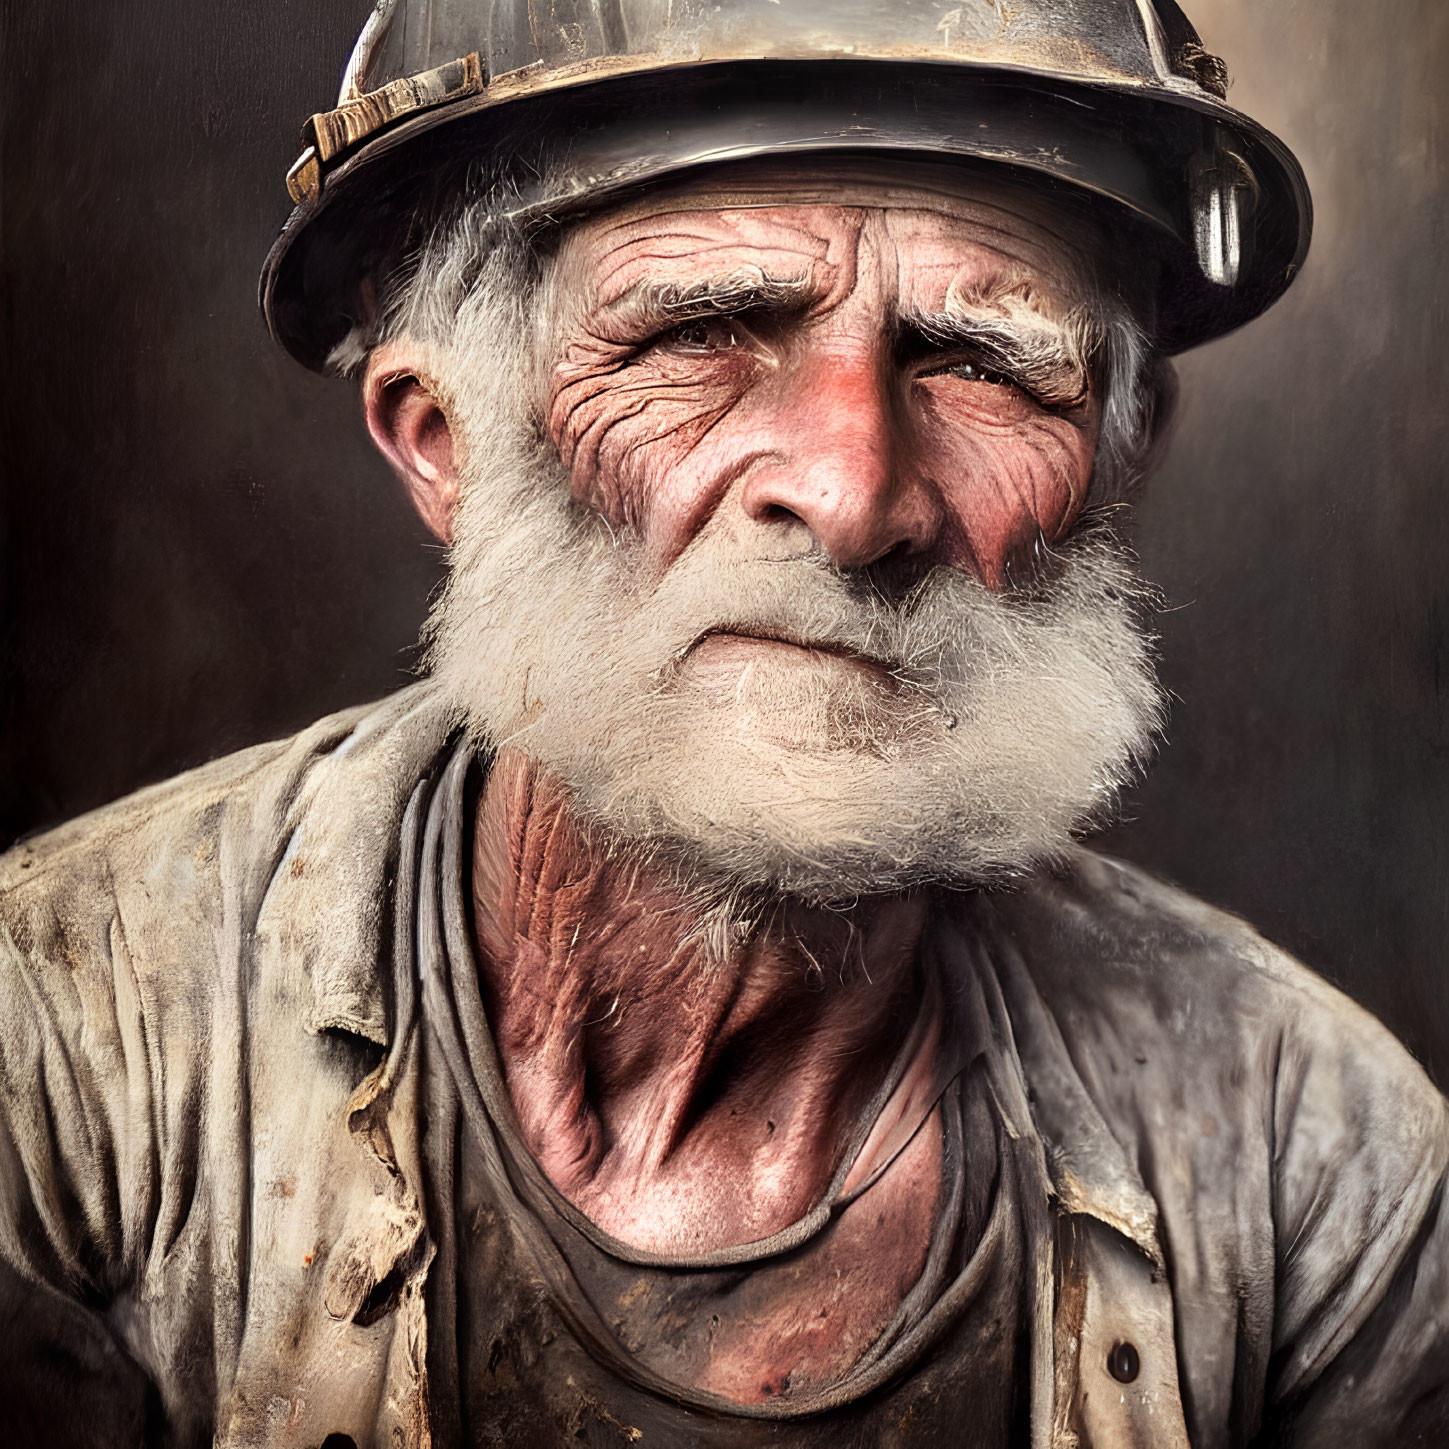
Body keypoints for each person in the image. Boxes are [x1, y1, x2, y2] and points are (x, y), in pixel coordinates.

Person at [1, 2, 1445, 1445]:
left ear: (1117, 463)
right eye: (698, 331)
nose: (851, 488)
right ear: (446, 444)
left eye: (982, 361)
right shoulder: (55, 1045)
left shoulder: (1322, 1167)